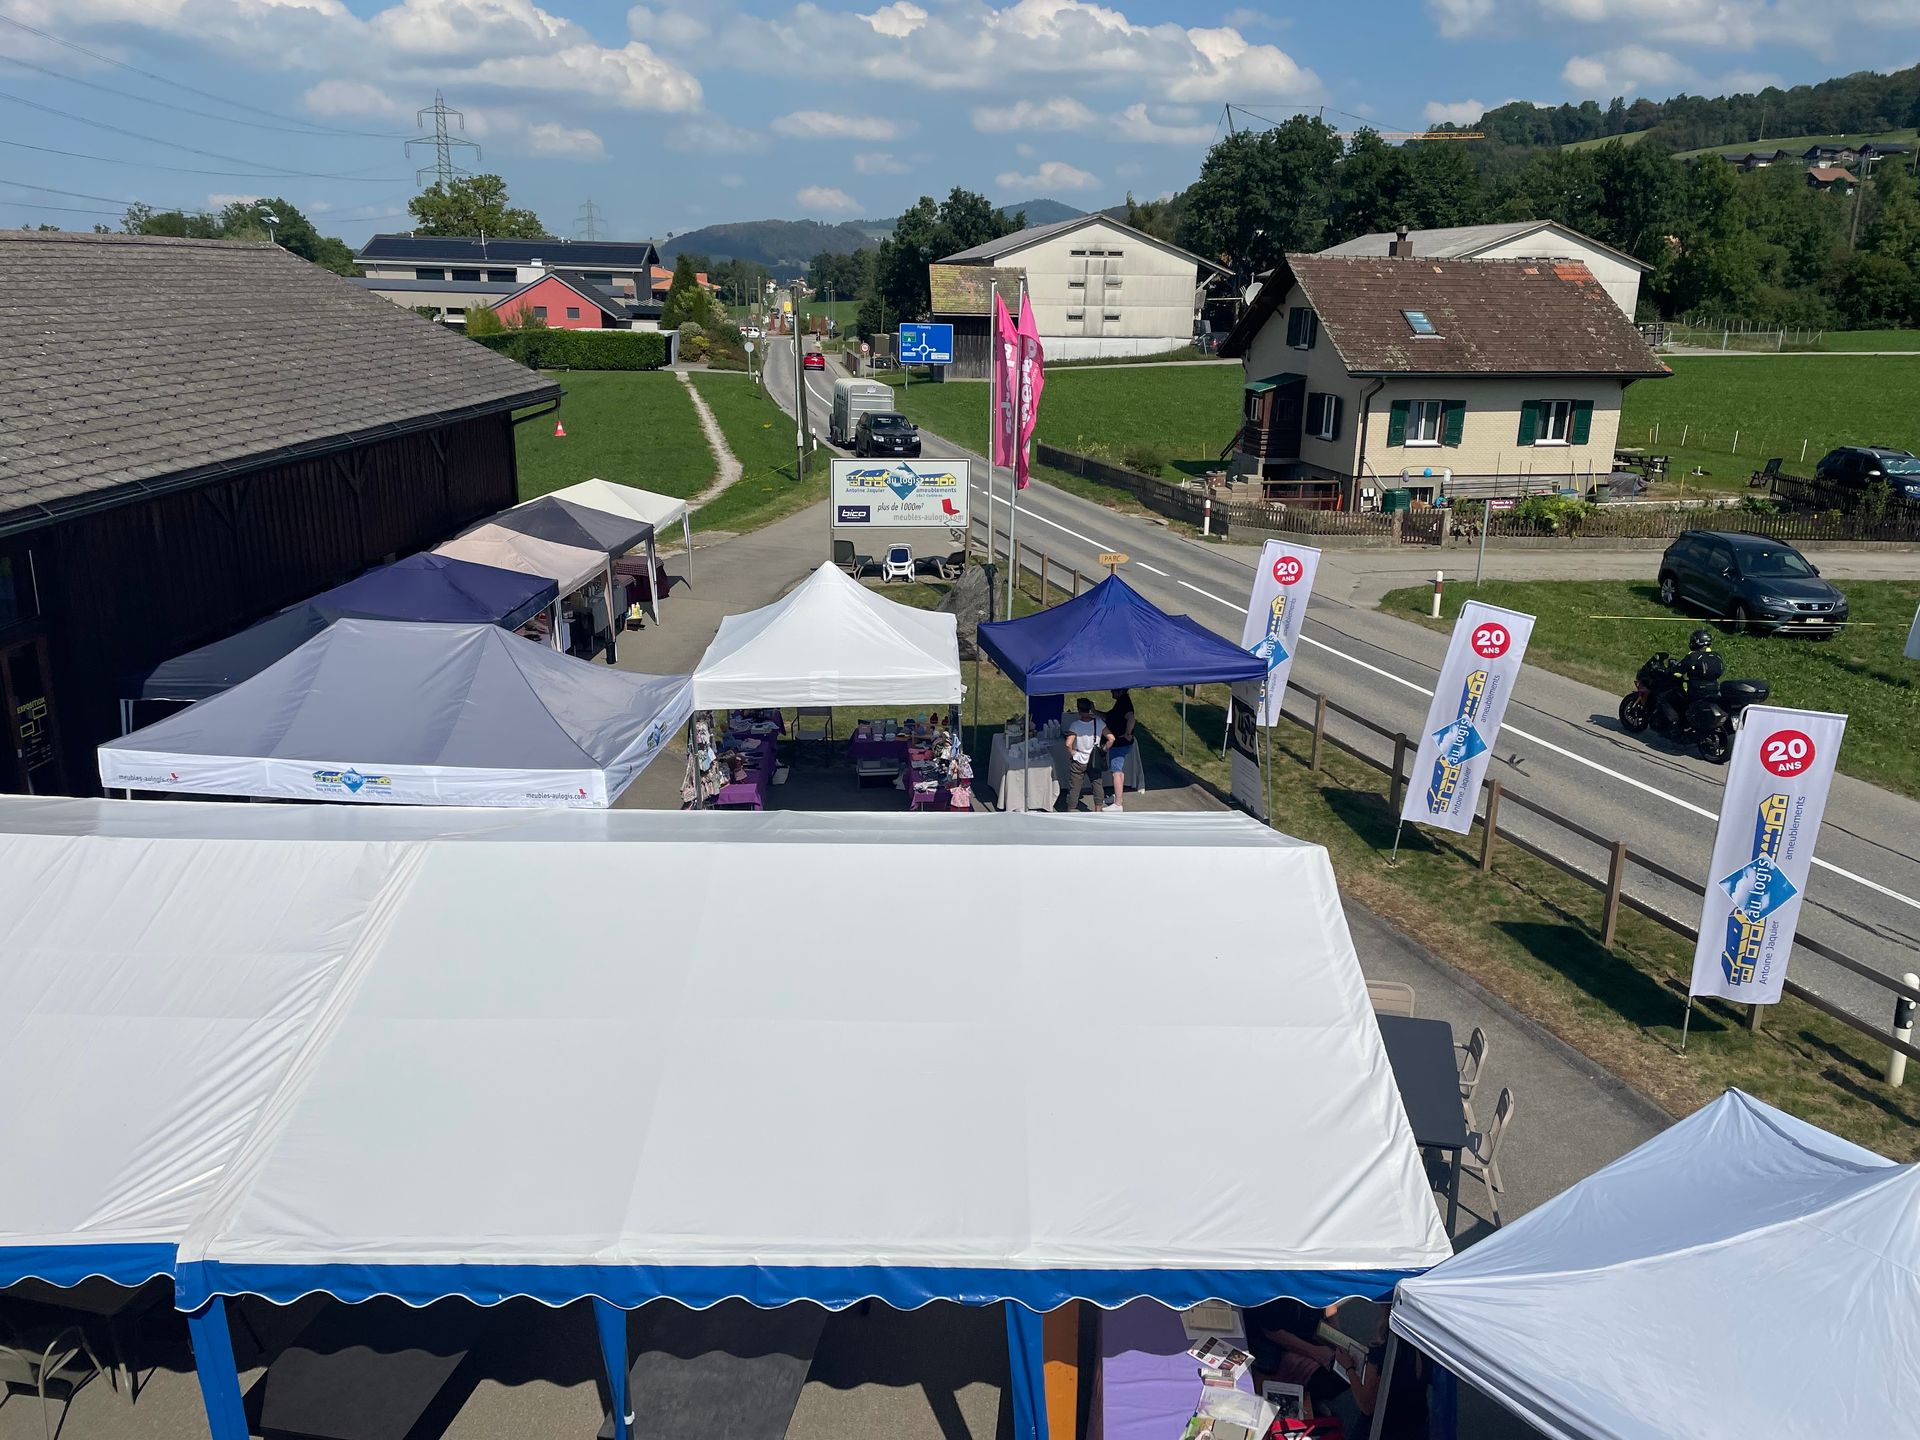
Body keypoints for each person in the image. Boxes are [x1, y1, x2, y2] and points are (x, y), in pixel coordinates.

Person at [1243, 1299, 1352, 1414]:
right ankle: (1299, 1394)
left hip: (1307, 1331)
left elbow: (1329, 1303)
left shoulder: (1321, 1284)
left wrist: (1337, 1337)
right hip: (1272, 1342)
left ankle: (1311, 1397)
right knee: (1274, 1364)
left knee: (1348, 1371)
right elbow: (1272, 1331)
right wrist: (1316, 1352)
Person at [1062, 697, 1106, 812]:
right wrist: (1103, 750)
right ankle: (1098, 809)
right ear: (1090, 708)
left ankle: (1071, 809)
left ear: (1079, 709)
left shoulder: (1075, 725)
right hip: (1094, 759)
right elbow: (1111, 738)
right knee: (1097, 784)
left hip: (1079, 760)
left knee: (1075, 787)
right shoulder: (1099, 722)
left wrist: (1073, 754)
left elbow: (1068, 744)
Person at [1103, 688, 1136, 812]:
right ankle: (1118, 797)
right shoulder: (1122, 702)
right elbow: (1110, 716)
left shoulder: (1124, 702)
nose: (1111, 692)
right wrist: (1095, 711)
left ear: (1120, 691)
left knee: (1116, 772)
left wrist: (1128, 733)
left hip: (1120, 743)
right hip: (1122, 743)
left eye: (1113, 691)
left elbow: (1131, 718)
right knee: (1119, 771)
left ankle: (1117, 804)